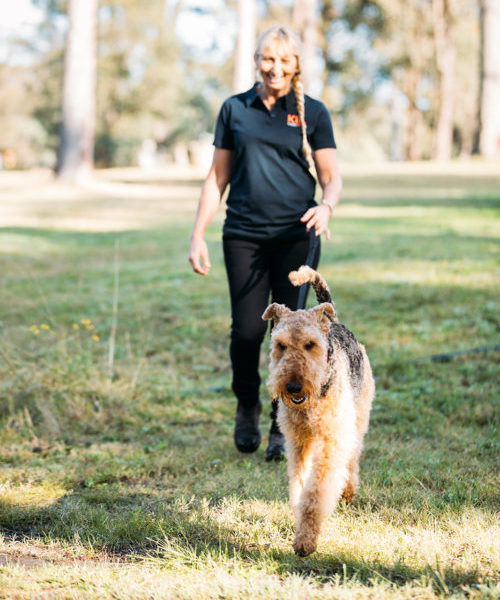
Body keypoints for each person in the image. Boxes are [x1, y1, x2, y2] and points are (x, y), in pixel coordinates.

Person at [188, 25, 342, 461]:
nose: (275, 68)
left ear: (296, 65)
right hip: (244, 235)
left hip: (296, 236)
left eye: (285, 60)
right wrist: (197, 234)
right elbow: (216, 177)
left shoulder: (313, 112)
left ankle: (281, 420)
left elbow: (331, 177)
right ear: (257, 61)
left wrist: (327, 207)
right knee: (247, 332)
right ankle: (247, 405)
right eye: (268, 59)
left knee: (291, 333)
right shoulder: (235, 109)